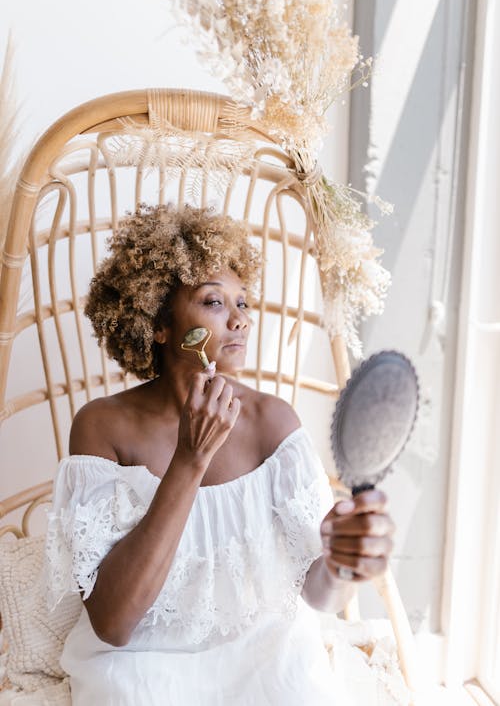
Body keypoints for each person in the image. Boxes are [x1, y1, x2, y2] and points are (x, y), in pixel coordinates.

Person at [45, 204, 395, 706]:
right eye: (213, 302)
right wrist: (190, 459)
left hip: (266, 660)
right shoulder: (103, 426)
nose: (240, 320)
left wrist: (343, 564)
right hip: (141, 671)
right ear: (160, 325)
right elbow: (113, 623)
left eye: (244, 303)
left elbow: (321, 596)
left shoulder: (274, 423)